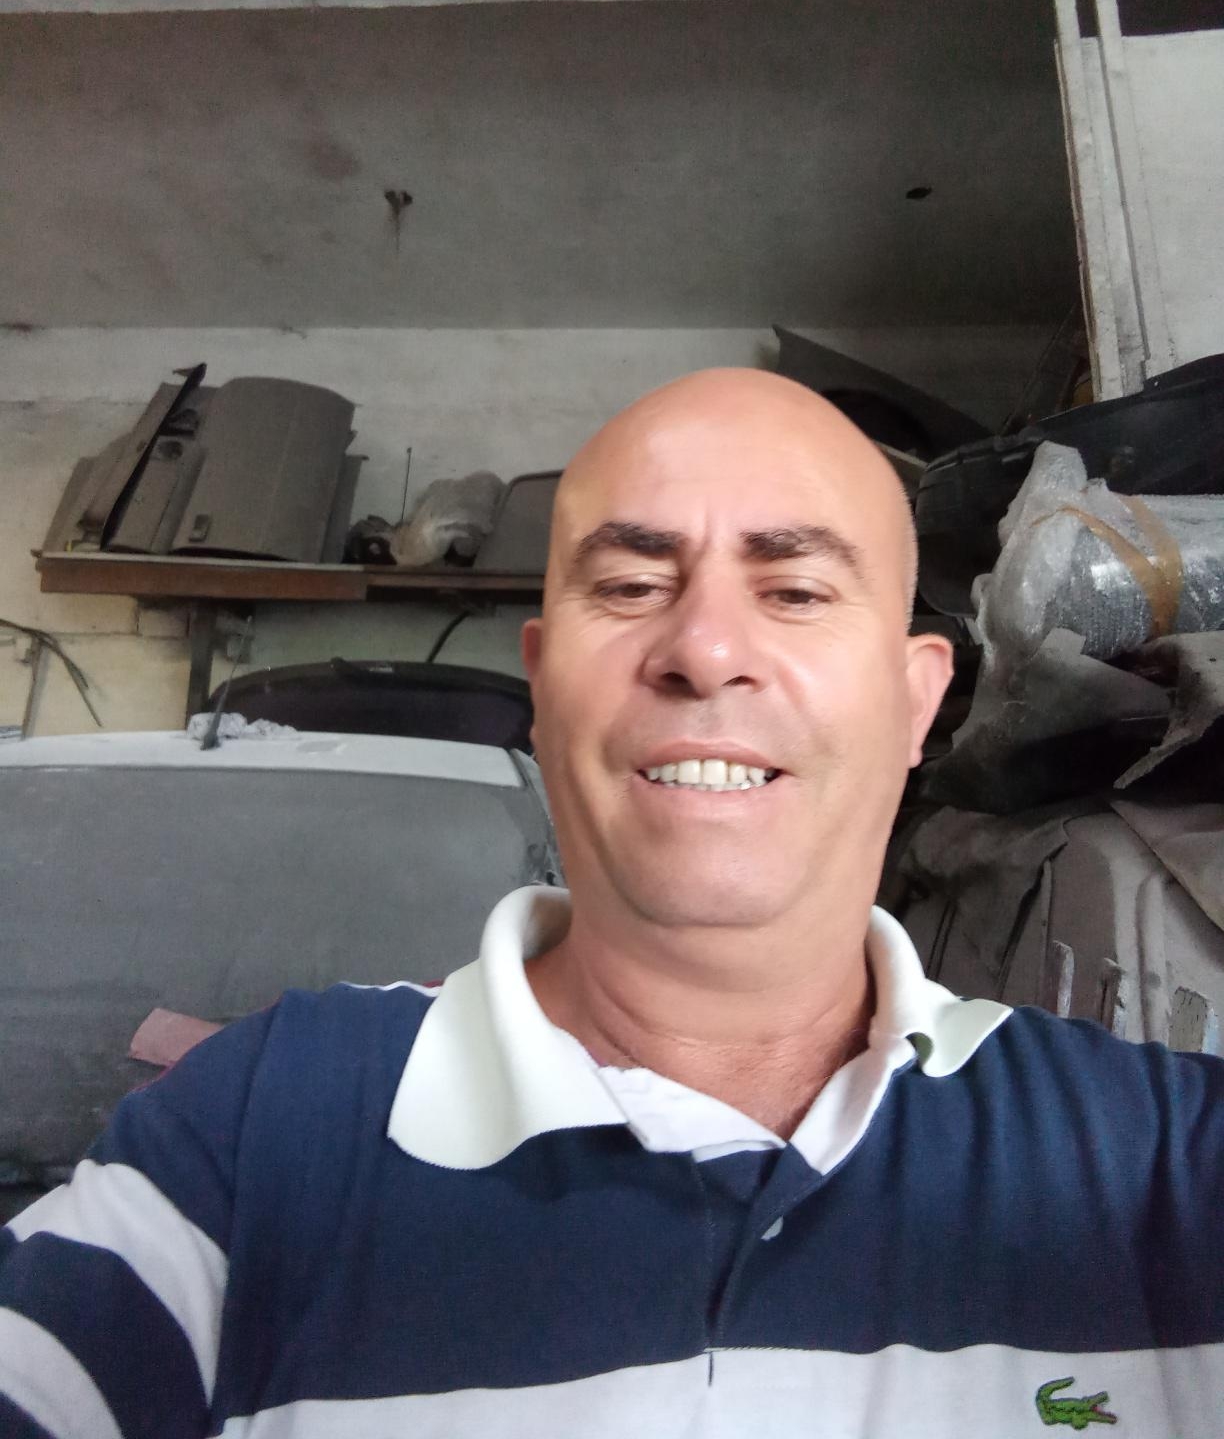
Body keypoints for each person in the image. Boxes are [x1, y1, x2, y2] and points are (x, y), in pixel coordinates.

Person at [2, 367, 1222, 1438]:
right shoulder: (251, 1138)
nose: (704, 649)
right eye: (633, 584)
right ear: (542, 690)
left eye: (795, 592)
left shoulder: (1165, 1163)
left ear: (916, 703)